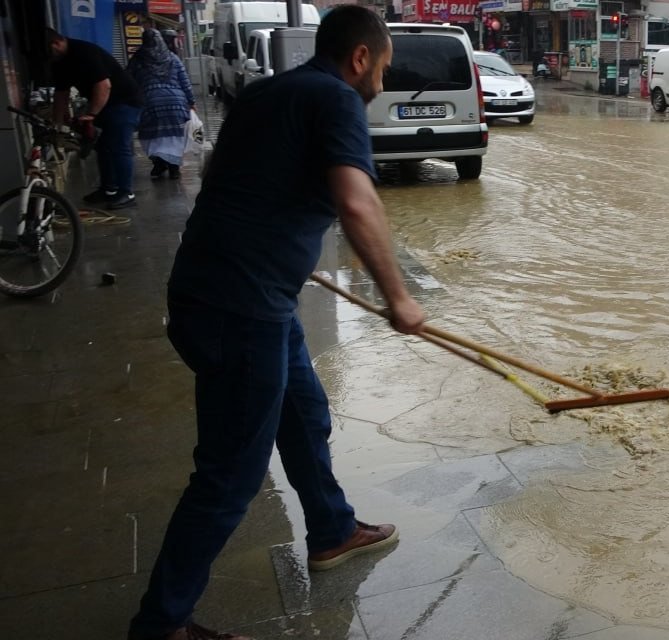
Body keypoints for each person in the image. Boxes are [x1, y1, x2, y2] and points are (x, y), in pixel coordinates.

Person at [129, 6, 425, 640]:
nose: (383, 80)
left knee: (303, 409)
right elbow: (356, 200)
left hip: (230, 292)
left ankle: (332, 530)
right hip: (241, 310)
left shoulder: (268, 92)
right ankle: (160, 624)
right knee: (229, 476)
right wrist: (398, 297)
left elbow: (221, 179)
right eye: (386, 66)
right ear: (361, 58)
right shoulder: (338, 101)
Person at [48, 28, 144, 210]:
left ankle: (126, 192)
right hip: (103, 105)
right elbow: (61, 93)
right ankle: (108, 189)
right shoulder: (59, 61)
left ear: (57, 43)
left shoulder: (84, 52)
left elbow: (104, 85)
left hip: (124, 101)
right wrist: (57, 123)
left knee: (119, 146)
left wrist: (91, 114)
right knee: (103, 147)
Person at [128, 29, 196, 180]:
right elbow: (184, 81)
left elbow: (129, 83)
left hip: (149, 104)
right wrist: (191, 101)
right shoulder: (172, 58)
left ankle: (159, 164)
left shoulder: (137, 60)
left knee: (153, 136)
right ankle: (174, 167)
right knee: (174, 136)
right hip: (176, 103)